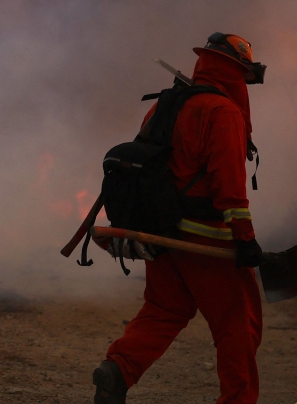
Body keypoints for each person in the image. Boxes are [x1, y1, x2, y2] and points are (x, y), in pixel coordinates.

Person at [93, 33, 266, 404]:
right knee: (238, 325)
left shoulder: (166, 104)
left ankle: (119, 370)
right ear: (236, 72)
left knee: (164, 309)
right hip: (207, 240)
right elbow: (230, 188)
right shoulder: (223, 112)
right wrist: (245, 237)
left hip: (163, 232)